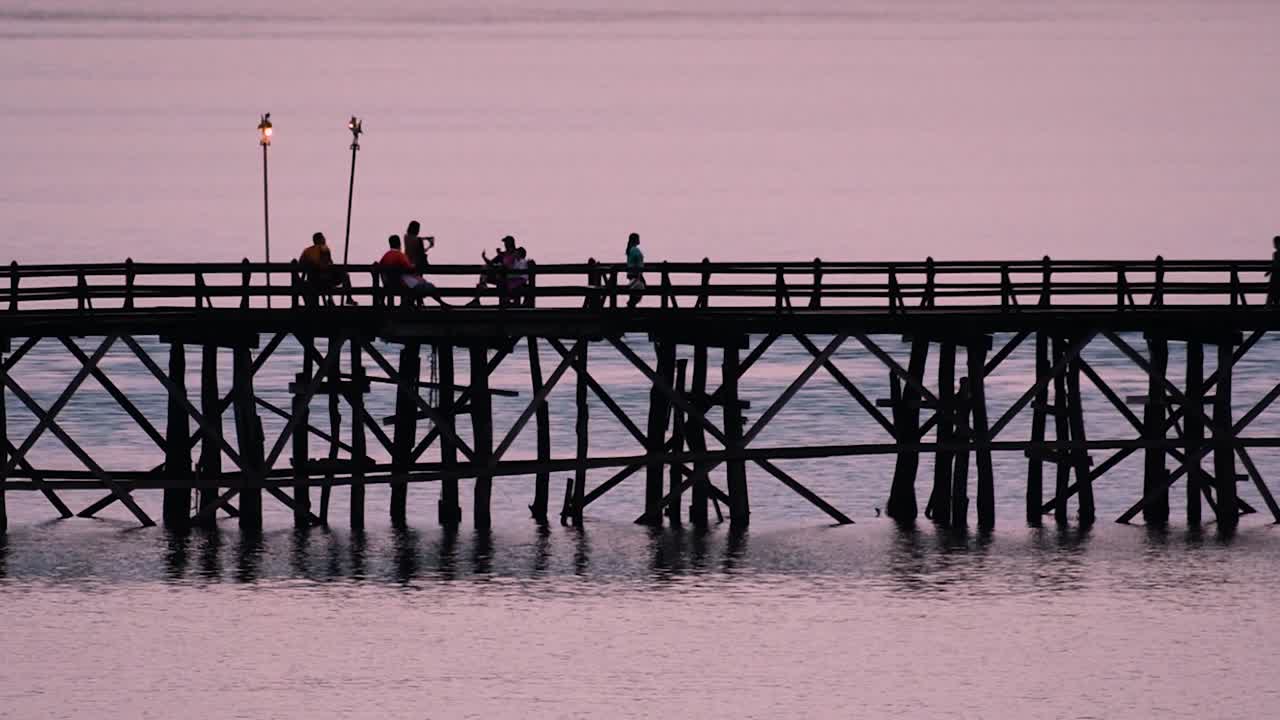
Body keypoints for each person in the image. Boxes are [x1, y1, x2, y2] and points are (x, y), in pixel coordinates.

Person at [378, 235, 449, 307]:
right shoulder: (400, 255)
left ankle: (409, 303)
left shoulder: (385, 256)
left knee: (416, 285)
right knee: (429, 287)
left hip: (390, 284)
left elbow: (379, 268)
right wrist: (415, 265)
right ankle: (442, 304)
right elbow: (410, 268)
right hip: (401, 285)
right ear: (399, 244)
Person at [298, 232, 354, 305]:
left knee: (328, 277)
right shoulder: (323, 248)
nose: (325, 240)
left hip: (312, 280)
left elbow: (300, 265)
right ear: (320, 240)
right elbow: (328, 265)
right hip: (322, 279)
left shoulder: (306, 251)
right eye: (323, 238)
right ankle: (348, 298)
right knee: (345, 276)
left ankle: (330, 299)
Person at [625, 232, 645, 308]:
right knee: (637, 291)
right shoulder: (635, 250)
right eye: (638, 238)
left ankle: (631, 307)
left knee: (634, 293)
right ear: (635, 240)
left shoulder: (630, 249)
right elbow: (638, 261)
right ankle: (631, 306)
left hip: (631, 274)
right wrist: (640, 272)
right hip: (636, 274)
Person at [1268, 236, 1280, 306]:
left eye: (1275, 243)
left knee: (1272, 291)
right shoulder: (1275, 254)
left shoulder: (1275, 254)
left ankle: (1268, 307)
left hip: (1276, 276)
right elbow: (1274, 264)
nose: (1274, 245)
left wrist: (1269, 271)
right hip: (1275, 275)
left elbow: (1275, 264)